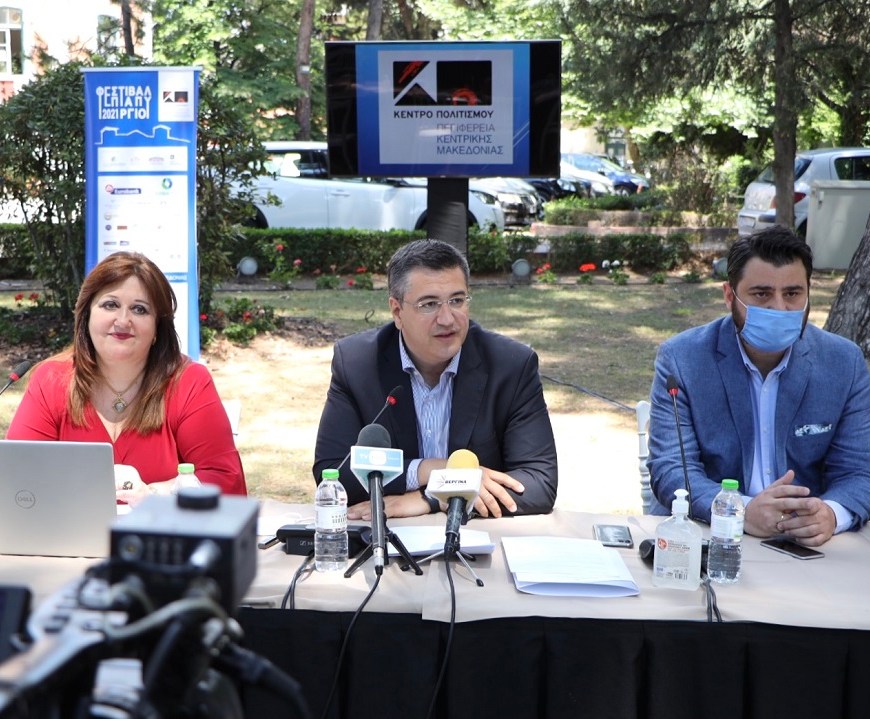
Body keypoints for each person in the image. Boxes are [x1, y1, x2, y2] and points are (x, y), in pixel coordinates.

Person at [647, 225, 870, 547]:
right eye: (762, 294)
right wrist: (740, 511)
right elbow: (672, 469)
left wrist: (831, 514)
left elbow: (859, 471)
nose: (779, 308)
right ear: (730, 296)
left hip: (805, 544)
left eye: (792, 294)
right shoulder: (682, 359)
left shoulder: (843, 363)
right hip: (707, 534)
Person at [313, 239, 557, 519]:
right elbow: (332, 473)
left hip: (475, 534)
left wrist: (431, 497)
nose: (447, 319)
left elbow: (539, 483)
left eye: (457, 301)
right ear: (397, 312)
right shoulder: (357, 363)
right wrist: (430, 469)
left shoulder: (511, 365)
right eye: (429, 304)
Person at [6, 251, 246, 501]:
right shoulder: (51, 380)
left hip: (161, 525)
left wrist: (153, 495)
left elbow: (225, 480)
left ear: (157, 327)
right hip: (69, 526)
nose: (122, 321)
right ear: (86, 315)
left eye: (139, 309)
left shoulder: (188, 382)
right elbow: (18, 475)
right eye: (110, 305)